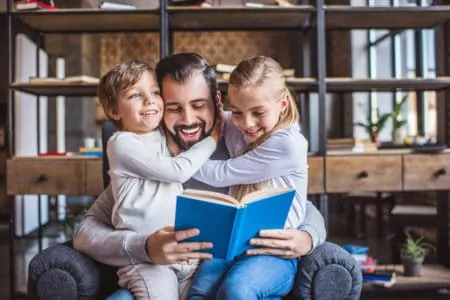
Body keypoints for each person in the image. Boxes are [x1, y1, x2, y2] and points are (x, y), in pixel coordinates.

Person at [73, 52, 326, 300]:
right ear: (160, 107)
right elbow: (85, 231)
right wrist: (146, 247)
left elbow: (296, 199)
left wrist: (308, 237)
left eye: (198, 105)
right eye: (174, 108)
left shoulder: (243, 134)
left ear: (217, 101)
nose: (188, 120)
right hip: (161, 274)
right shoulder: (148, 156)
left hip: (229, 270)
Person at [96, 60, 221, 299]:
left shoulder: (159, 136)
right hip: (147, 260)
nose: (150, 100)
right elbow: (177, 171)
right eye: (135, 95)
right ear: (113, 111)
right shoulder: (122, 143)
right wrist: (213, 138)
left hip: (184, 257)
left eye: (154, 93)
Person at [186, 56, 307, 300]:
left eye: (258, 112)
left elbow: (222, 173)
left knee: (237, 289)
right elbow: (214, 116)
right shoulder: (235, 125)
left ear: (283, 103)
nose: (247, 124)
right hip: (232, 243)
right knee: (199, 292)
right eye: (237, 112)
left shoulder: (288, 143)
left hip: (273, 250)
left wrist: (176, 162)